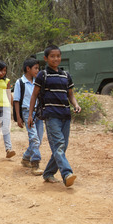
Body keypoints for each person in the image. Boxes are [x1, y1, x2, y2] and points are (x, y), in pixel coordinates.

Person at [27, 45, 81, 187]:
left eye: (58, 56)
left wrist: (76, 105)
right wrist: (30, 115)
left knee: (62, 147)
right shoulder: (43, 75)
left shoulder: (65, 75)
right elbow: (34, 95)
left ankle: (48, 173)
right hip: (51, 116)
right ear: (46, 58)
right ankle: (67, 173)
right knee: (58, 145)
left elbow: (70, 95)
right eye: (52, 56)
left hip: (65, 115)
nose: (56, 59)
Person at [13, 58, 44, 175]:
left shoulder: (38, 82)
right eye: (35, 68)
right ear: (28, 69)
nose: (38, 70)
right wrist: (18, 117)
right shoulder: (20, 82)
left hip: (38, 113)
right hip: (26, 112)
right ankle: (35, 164)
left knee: (38, 139)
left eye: (38, 68)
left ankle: (26, 158)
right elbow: (16, 101)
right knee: (34, 138)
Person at [0, 61, 15, 159]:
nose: (3, 72)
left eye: (5, 70)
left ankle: (8, 149)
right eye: (1, 70)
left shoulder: (7, 81)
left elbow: (8, 94)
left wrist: (13, 107)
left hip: (5, 105)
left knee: (6, 127)